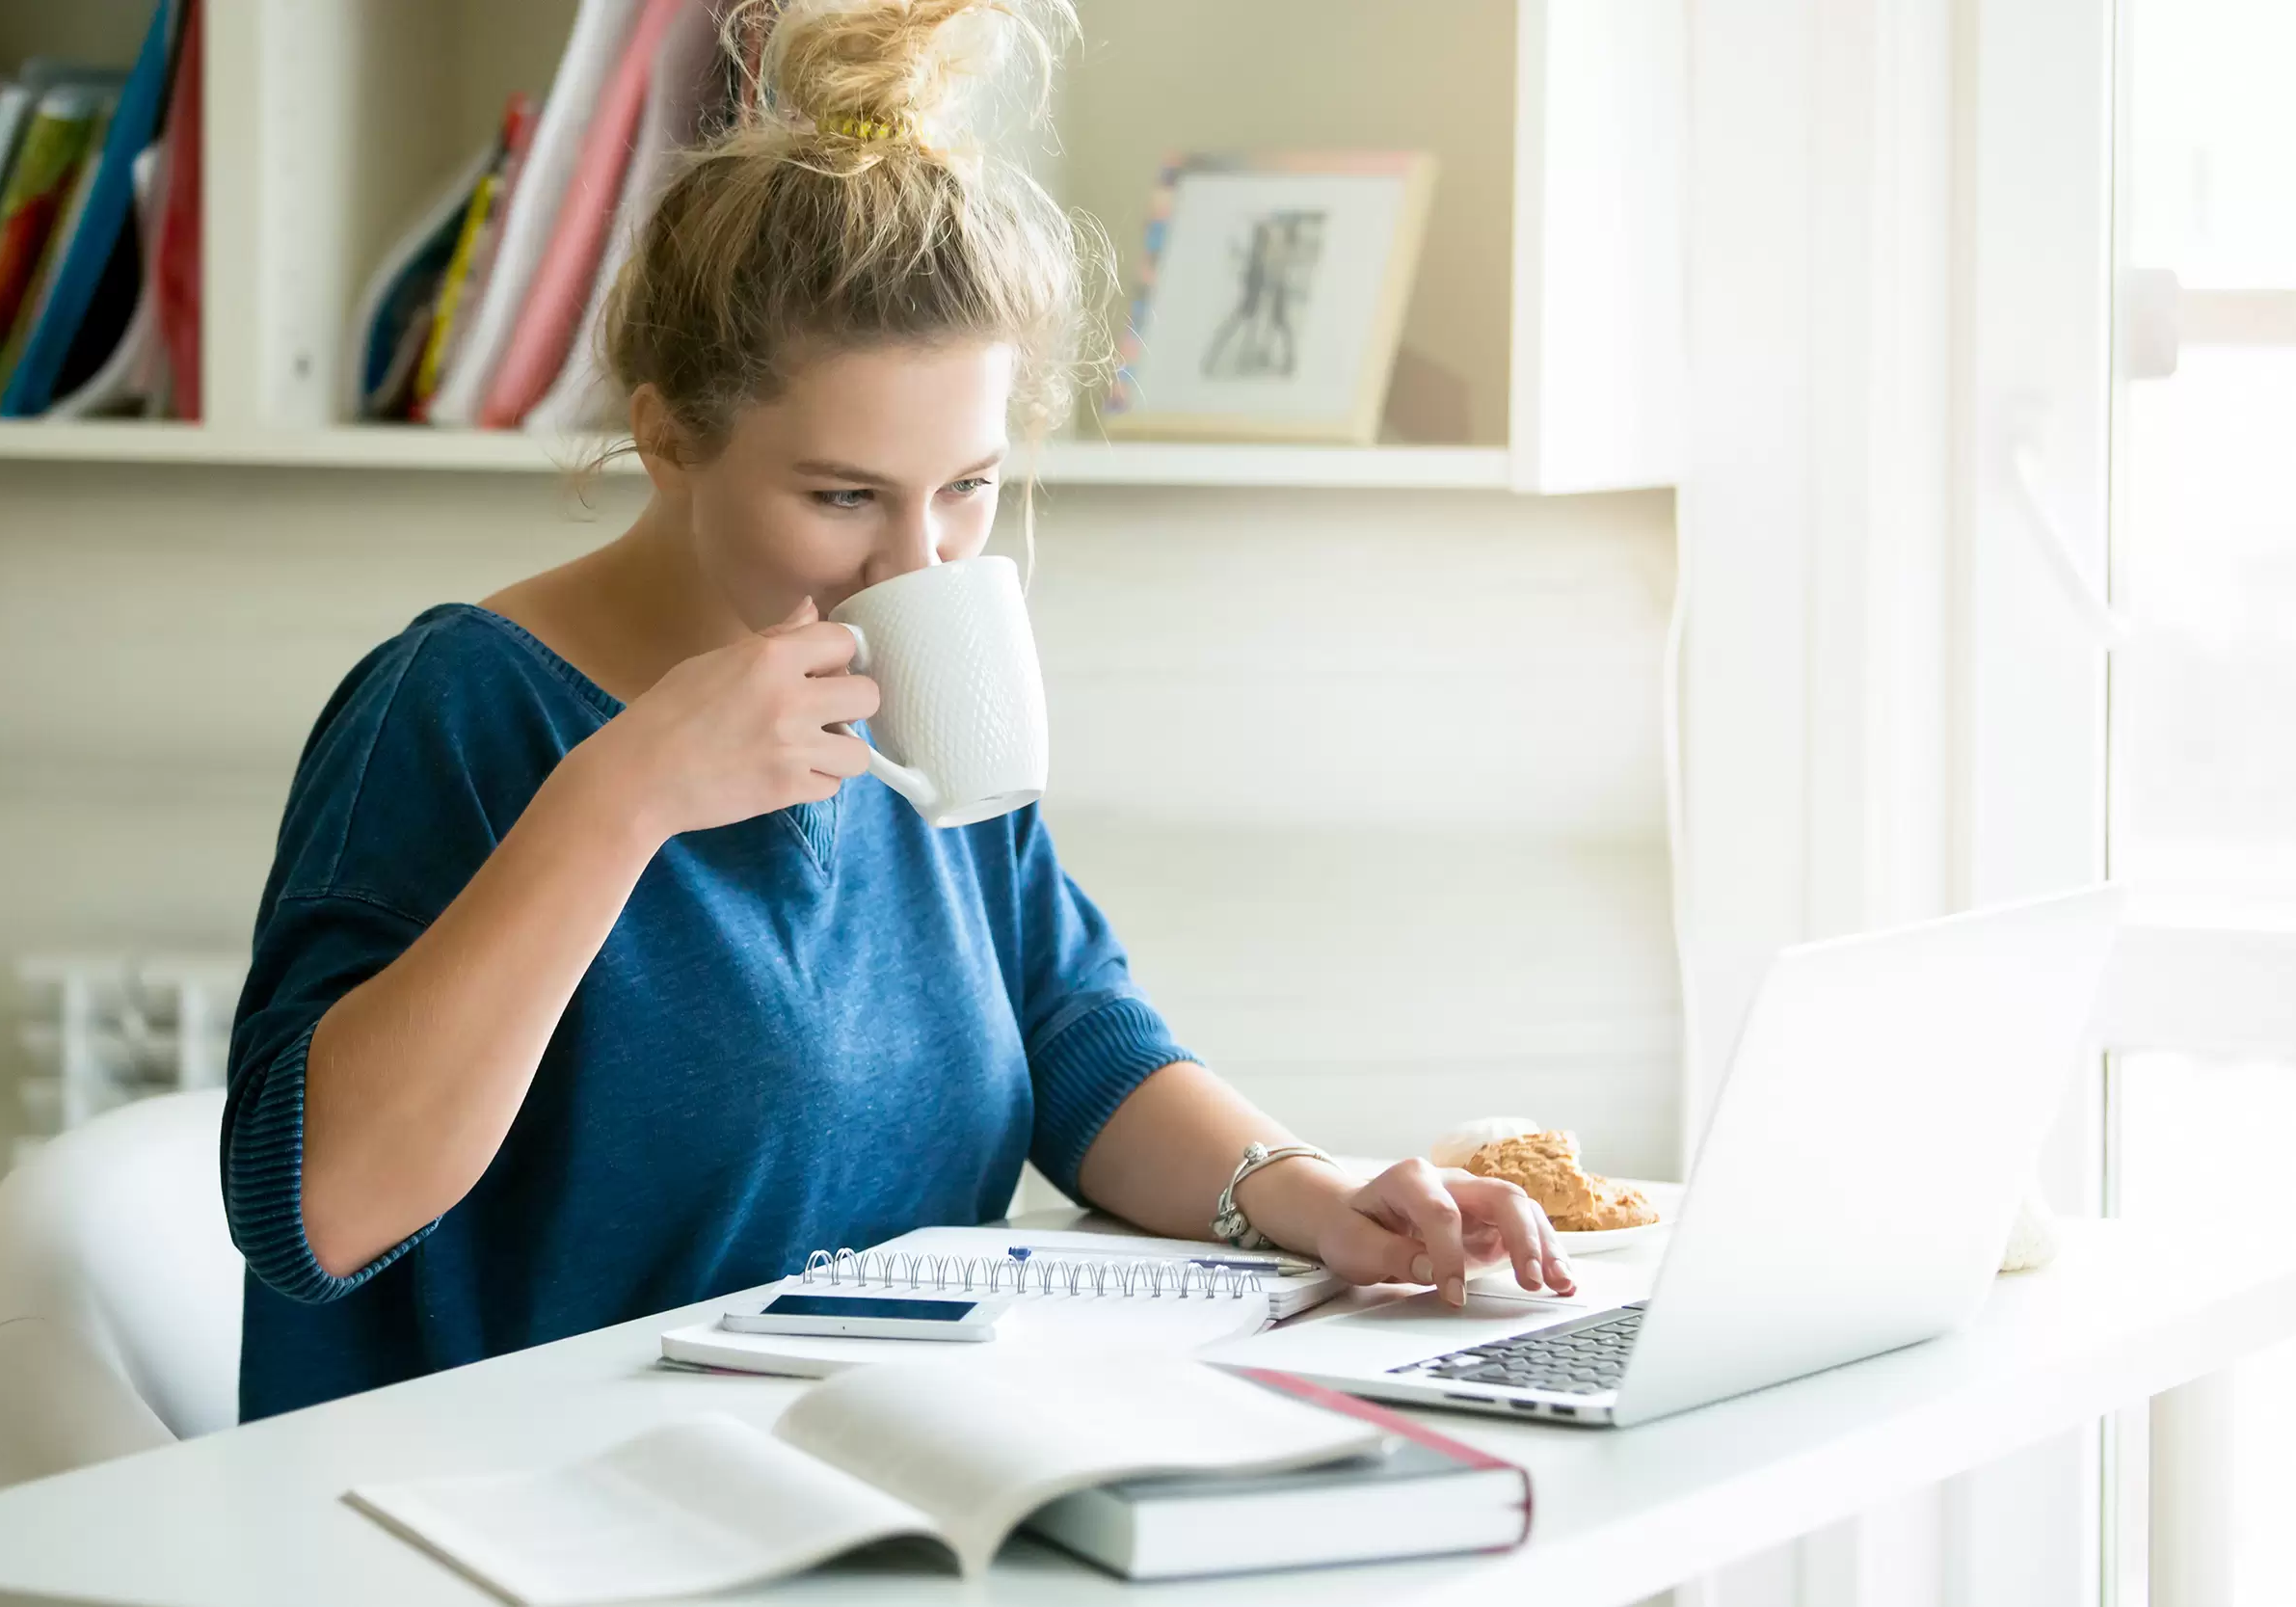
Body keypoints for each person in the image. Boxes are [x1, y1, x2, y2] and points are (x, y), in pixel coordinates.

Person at [222, 0, 1573, 1423]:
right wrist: (624, 799)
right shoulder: (455, 707)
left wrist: (1302, 1187)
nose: (915, 565)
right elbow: (314, 1210)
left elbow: (1064, 1026)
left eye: (968, 487)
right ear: (670, 434)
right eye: (843, 495)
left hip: (866, 1465)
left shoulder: (910, 690)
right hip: (509, 1506)